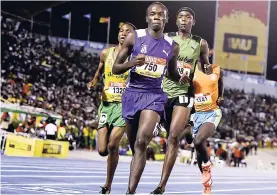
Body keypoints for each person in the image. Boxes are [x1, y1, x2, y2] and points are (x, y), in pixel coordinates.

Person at [112, 2, 189, 194]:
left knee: (141, 141)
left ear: (165, 19)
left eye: (160, 15)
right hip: (132, 95)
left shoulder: (172, 46)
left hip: (154, 95)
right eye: (152, 14)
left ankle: (130, 192)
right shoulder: (134, 37)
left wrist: (179, 76)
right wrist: (132, 63)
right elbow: (115, 68)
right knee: (134, 146)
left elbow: (170, 72)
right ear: (147, 18)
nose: (156, 17)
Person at [151, 7, 212, 194]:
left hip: (184, 93)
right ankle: (188, 130)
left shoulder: (200, 43)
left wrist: (209, 72)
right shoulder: (166, 38)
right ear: (176, 21)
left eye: (188, 17)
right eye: (181, 17)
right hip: (161, 92)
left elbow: (205, 67)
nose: (184, 20)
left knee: (172, 138)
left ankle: (161, 186)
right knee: (166, 134)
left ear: (193, 22)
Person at [87, 22, 136, 194]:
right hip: (106, 105)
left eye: (127, 32)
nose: (123, 34)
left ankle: (108, 184)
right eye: (121, 31)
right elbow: (99, 72)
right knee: (102, 150)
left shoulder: (135, 56)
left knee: (113, 144)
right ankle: (101, 129)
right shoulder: (106, 53)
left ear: (133, 36)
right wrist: (94, 81)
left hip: (124, 107)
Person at [191, 62, 224, 194]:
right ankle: (207, 184)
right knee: (198, 150)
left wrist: (221, 95)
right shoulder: (191, 69)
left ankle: (207, 168)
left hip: (212, 112)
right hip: (196, 114)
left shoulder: (216, 68)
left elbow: (221, 83)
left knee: (198, 141)